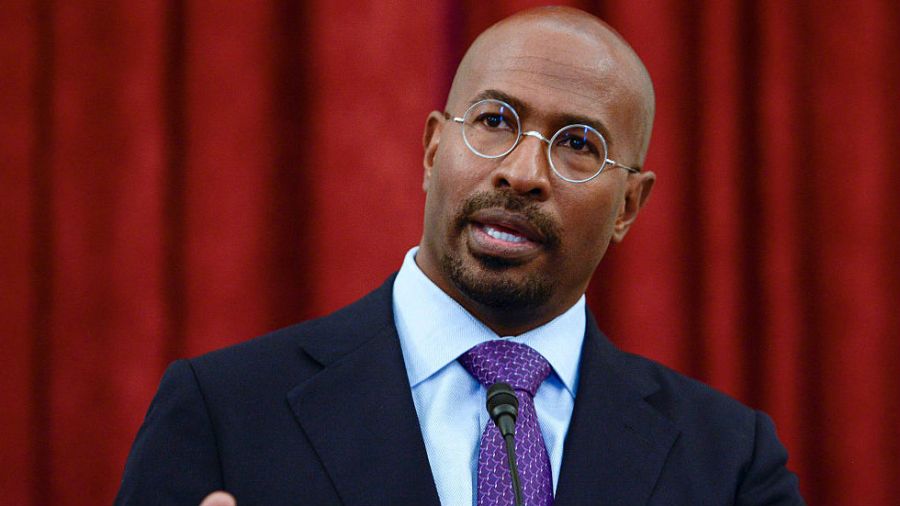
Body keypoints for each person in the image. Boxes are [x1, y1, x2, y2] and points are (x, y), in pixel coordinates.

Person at [116, 6, 804, 505]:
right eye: (496, 121)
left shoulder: (731, 462)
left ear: (628, 206)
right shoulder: (224, 414)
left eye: (577, 144)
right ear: (432, 150)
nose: (524, 171)